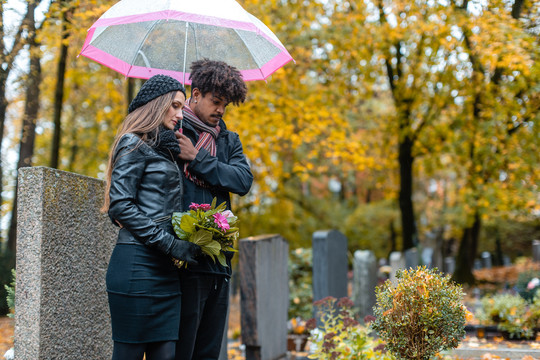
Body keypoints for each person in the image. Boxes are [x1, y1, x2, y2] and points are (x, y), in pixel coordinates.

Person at [102, 74, 202, 360]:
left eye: (182, 107)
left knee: (166, 356)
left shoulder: (166, 151)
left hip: (166, 272)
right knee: (129, 355)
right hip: (136, 267)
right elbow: (120, 205)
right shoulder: (132, 143)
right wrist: (172, 246)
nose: (180, 114)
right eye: (174, 106)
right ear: (156, 105)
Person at [174, 59, 254, 359]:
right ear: (195, 95)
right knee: (183, 347)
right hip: (183, 256)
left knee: (209, 350)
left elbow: (242, 180)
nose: (220, 110)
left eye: (225, 105)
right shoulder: (174, 130)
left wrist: (198, 159)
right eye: (215, 102)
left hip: (219, 260)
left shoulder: (228, 140)